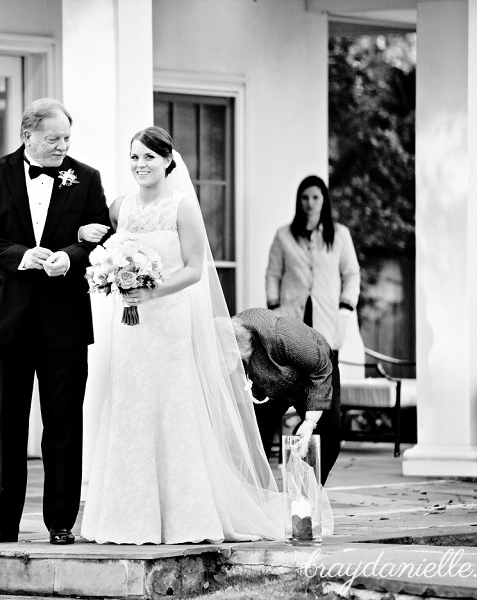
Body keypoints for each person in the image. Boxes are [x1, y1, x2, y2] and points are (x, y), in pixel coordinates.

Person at [80, 127, 319, 544]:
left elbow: (194, 269)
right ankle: (126, 518)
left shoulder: (182, 207)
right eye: (134, 157)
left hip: (168, 323)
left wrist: (152, 289)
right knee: (131, 411)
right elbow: (104, 242)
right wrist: (102, 261)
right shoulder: (123, 206)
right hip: (131, 329)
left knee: (172, 410)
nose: (141, 165)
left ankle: (184, 518)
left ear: (168, 160)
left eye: (150, 158)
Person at [0, 98, 110, 545]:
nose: (61, 146)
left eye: (66, 139)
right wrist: (21, 256)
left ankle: (60, 523)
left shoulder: (86, 177)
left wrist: (70, 256)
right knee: (7, 422)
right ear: (27, 134)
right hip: (8, 315)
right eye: (52, 139)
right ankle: (0, 523)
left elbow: (102, 231)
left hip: (64, 318)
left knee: (63, 423)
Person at [264, 175, 360, 480]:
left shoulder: (340, 235)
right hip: (290, 338)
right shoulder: (284, 236)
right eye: (305, 197)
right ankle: (255, 483)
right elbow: (272, 275)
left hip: (326, 333)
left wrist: (345, 308)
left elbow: (352, 274)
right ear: (299, 200)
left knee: (329, 424)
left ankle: (311, 488)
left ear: (324, 201)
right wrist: (276, 313)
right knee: (265, 414)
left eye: (316, 197)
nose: (310, 203)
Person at [231, 308, 336, 484]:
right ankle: (258, 495)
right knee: (255, 436)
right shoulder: (224, 348)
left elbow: (320, 368)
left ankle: (306, 496)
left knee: (328, 434)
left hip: (314, 375)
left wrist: (309, 422)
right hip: (267, 388)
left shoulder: (280, 332)